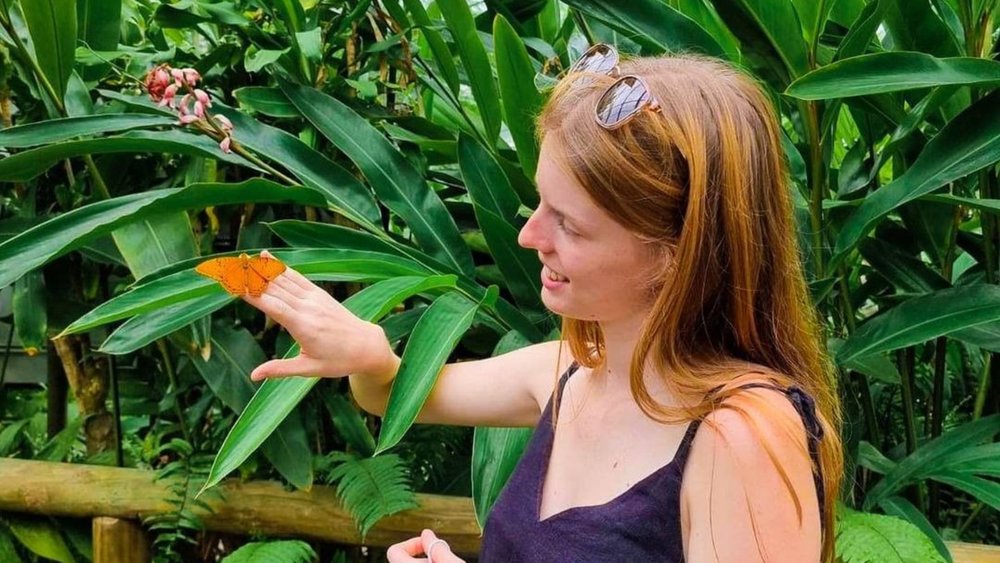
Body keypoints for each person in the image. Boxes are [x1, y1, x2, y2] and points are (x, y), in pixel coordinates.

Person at [243, 44, 843, 562]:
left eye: (571, 225)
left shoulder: (743, 439)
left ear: (676, 253)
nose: (529, 236)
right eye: (540, 203)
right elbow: (391, 397)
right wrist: (367, 355)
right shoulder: (569, 370)